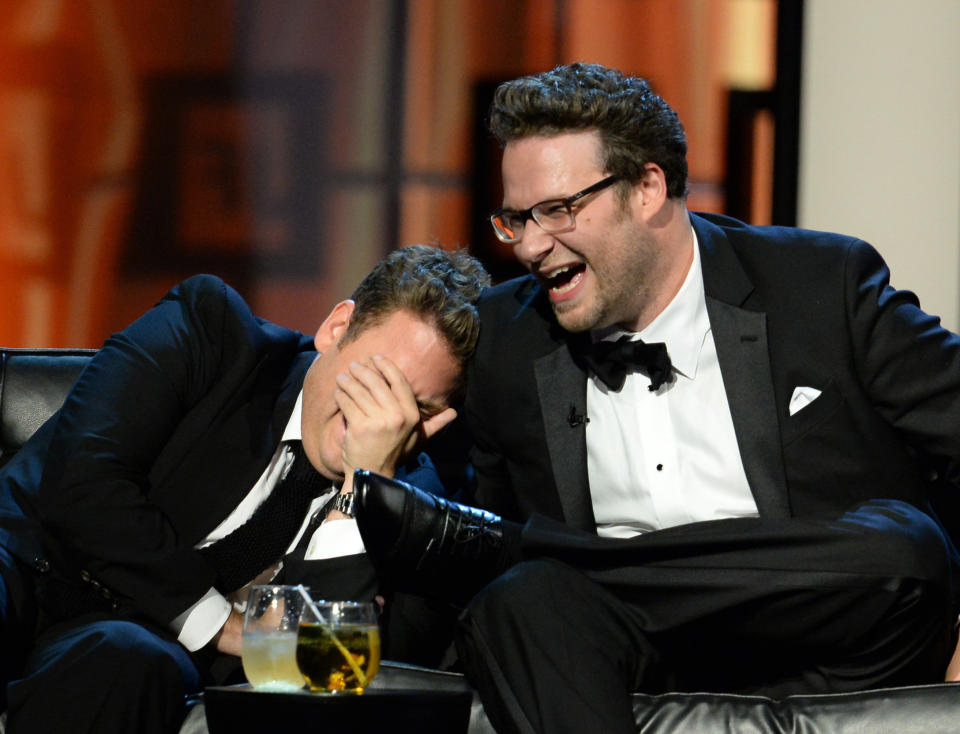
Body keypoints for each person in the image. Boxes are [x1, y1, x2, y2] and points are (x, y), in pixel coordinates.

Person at [352, 63, 960, 734]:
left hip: (828, 641)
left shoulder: (823, 285)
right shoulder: (506, 340)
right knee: (516, 601)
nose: (530, 245)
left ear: (647, 188)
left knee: (903, 554)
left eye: (557, 210)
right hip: (628, 658)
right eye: (516, 218)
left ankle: (561, 559)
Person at [0, 244, 489, 733]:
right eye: (375, 383)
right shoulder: (209, 330)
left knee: (127, 661)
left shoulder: (415, 509)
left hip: (135, 654)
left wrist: (360, 492)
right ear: (336, 329)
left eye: (414, 411)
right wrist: (224, 625)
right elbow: (84, 486)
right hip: (25, 566)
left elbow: (326, 672)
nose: (374, 419)